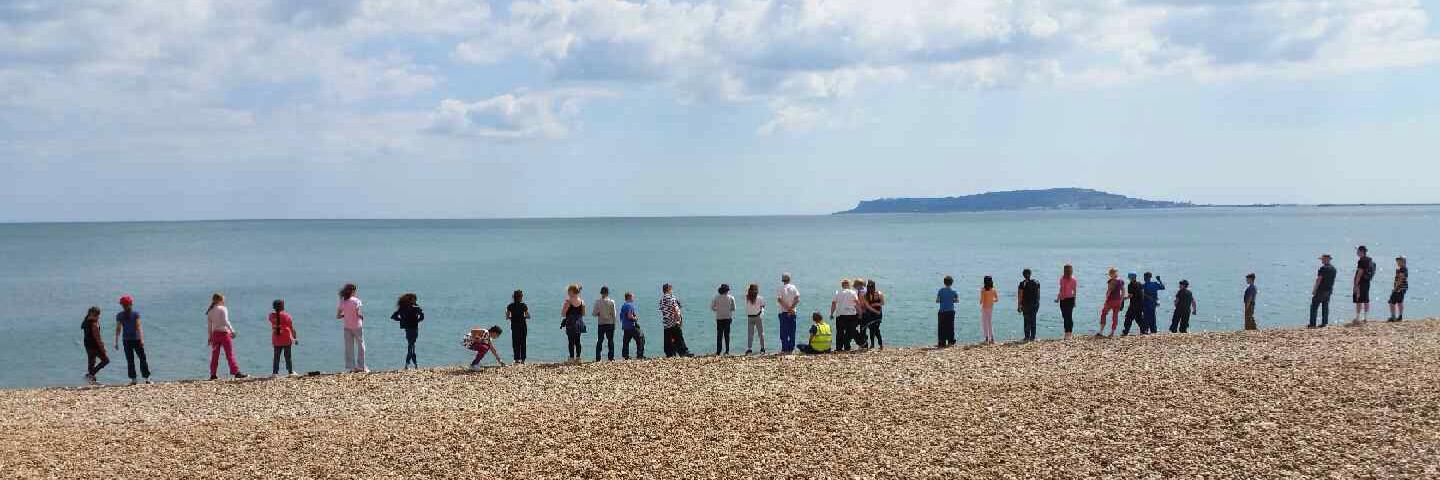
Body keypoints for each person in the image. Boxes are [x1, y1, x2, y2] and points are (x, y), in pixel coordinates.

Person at [206, 293, 246, 380]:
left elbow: (209, 327)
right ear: (220, 300)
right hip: (224, 334)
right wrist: (232, 330)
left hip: (215, 335)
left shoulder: (210, 311)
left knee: (215, 355)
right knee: (229, 354)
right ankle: (236, 372)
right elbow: (225, 321)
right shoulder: (223, 308)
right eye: (223, 299)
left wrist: (210, 337)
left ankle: (213, 374)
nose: (224, 301)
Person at [113, 295, 151, 385]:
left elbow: (119, 329)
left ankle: (137, 379)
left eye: (124, 304)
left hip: (130, 340)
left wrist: (116, 341)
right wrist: (116, 341)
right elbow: (138, 327)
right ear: (131, 304)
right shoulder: (134, 314)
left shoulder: (121, 315)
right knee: (140, 358)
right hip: (132, 340)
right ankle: (145, 378)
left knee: (133, 359)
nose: (124, 306)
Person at [336, 283, 367, 373]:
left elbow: (338, 316)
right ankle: (361, 366)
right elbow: (359, 313)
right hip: (357, 326)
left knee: (349, 347)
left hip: (347, 327)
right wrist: (361, 317)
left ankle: (351, 367)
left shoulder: (343, 301)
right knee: (361, 346)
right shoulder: (356, 301)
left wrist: (345, 315)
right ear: (353, 291)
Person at [390, 293, 424, 369]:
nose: (416, 301)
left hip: (408, 329)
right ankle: (411, 363)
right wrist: (417, 321)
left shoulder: (403, 308)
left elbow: (393, 316)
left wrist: (402, 320)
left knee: (411, 345)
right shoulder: (416, 308)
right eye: (415, 299)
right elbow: (422, 317)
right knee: (411, 345)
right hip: (414, 328)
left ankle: (411, 364)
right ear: (411, 300)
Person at [659, 284, 692, 357]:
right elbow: (676, 309)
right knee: (679, 337)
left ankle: (669, 354)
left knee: (668, 339)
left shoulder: (662, 300)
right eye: (671, 290)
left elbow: (662, 309)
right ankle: (683, 352)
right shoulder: (672, 298)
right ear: (669, 290)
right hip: (674, 321)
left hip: (666, 322)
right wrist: (679, 319)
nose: (672, 291)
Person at [830, 279, 863, 351]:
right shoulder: (853, 292)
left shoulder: (837, 293)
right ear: (849, 285)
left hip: (840, 314)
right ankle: (849, 346)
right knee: (850, 331)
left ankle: (839, 348)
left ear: (842, 285)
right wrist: (860, 313)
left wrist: (832, 314)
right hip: (851, 315)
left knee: (840, 332)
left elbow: (833, 304)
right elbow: (857, 303)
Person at [270, 299, 298, 377]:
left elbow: (275, 319)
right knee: (288, 356)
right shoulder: (286, 316)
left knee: (276, 357)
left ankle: (275, 373)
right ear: (282, 307)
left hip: (276, 339)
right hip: (286, 339)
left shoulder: (271, 316)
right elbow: (292, 328)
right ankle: (290, 372)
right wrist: (295, 338)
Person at [82, 306, 109, 385]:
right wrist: (103, 348)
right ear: (93, 314)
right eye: (97, 315)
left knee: (91, 361)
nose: (98, 317)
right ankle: (90, 375)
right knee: (105, 360)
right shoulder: (94, 324)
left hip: (87, 344)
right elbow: (98, 338)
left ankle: (91, 380)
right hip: (94, 345)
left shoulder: (86, 321)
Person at [1310, 254, 1337, 328]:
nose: (1322, 261)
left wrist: (1314, 289)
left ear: (1327, 259)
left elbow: (1319, 279)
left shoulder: (1322, 268)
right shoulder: (1333, 269)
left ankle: (1312, 324)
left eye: (1323, 259)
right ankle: (1324, 323)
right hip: (1328, 290)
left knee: (1314, 306)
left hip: (1321, 290)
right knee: (1325, 306)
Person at [776, 274, 801, 354]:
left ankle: (785, 349)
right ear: (789, 279)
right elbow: (797, 299)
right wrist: (791, 309)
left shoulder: (780, 288)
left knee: (784, 332)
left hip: (783, 312)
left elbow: (779, 300)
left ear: (782, 280)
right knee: (792, 331)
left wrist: (787, 309)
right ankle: (791, 348)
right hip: (792, 312)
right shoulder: (793, 287)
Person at [560, 284, 586, 362]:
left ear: (571, 291)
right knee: (578, 341)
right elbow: (583, 314)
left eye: (568, 291)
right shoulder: (582, 302)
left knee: (571, 341)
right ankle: (578, 358)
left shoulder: (568, 301)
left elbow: (563, 314)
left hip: (571, 323)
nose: (567, 292)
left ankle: (571, 358)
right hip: (579, 323)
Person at [710, 284, 736, 356]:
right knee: (727, 335)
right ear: (727, 290)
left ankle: (718, 351)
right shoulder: (731, 298)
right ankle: (727, 351)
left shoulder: (716, 297)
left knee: (719, 335)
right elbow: (734, 308)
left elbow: (712, 307)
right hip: (728, 317)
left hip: (719, 318)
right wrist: (728, 309)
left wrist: (718, 309)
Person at [1352, 245, 1376, 324]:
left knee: (1358, 300)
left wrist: (1356, 284)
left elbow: (1360, 272)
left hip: (1361, 282)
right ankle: (1366, 318)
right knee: (1366, 300)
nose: (1357, 252)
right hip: (1367, 282)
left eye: (1358, 251)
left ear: (1361, 252)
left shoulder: (1361, 261)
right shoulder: (1369, 260)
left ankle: (1357, 318)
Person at [1098, 268, 1125, 337]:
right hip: (1118, 301)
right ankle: (1112, 332)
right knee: (1115, 316)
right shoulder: (1121, 281)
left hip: (1110, 301)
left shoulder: (1111, 281)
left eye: (1110, 274)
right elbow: (1123, 291)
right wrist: (1121, 300)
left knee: (1103, 314)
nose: (1109, 275)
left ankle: (1101, 331)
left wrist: (1106, 300)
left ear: (1111, 274)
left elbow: (1109, 292)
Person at [593, 286, 617, 362]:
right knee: (610, 340)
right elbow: (614, 314)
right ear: (607, 293)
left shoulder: (597, 302)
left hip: (601, 323)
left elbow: (594, 314)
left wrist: (599, 313)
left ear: (601, 293)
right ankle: (611, 358)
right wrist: (615, 324)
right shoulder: (612, 302)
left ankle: (598, 358)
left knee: (600, 340)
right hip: (610, 323)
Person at [506, 290, 530, 364]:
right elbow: (528, 316)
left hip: (514, 326)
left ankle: (516, 359)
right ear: (521, 297)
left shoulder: (510, 306)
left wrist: (512, 317)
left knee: (515, 342)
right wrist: (523, 317)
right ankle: (523, 359)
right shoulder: (523, 305)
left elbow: (507, 317)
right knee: (523, 342)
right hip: (523, 326)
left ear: (513, 297)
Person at [620, 292, 646, 359]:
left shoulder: (623, 305)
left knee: (626, 341)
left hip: (625, 326)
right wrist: (635, 318)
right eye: (632, 297)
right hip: (631, 326)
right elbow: (629, 316)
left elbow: (621, 317)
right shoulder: (630, 305)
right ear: (629, 297)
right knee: (641, 338)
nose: (633, 298)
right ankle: (640, 355)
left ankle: (625, 356)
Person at [1017, 269, 1041, 342]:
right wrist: (1037, 303)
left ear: (1023, 275)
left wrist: (1019, 306)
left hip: (1026, 305)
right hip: (1035, 304)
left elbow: (1020, 296)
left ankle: (1027, 337)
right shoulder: (1037, 282)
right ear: (1030, 274)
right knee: (1033, 320)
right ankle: (1033, 337)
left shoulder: (1022, 284)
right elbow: (1038, 295)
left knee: (1026, 321)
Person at [1055, 265, 1078, 340]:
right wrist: (1058, 298)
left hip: (1069, 299)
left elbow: (1074, 291)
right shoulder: (1062, 279)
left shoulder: (1073, 279)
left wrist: (1074, 301)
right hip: (1064, 299)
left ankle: (1069, 333)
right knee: (1065, 316)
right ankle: (1067, 333)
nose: (1067, 271)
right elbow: (1061, 289)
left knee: (1068, 316)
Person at [936, 276, 959, 347]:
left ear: (944, 282)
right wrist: (951, 300)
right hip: (950, 311)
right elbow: (957, 300)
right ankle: (950, 341)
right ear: (951, 283)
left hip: (942, 311)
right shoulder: (954, 292)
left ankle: (941, 342)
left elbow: (937, 301)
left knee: (941, 327)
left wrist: (943, 300)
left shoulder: (940, 291)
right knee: (950, 326)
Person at [744, 284, 767, 355]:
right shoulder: (760, 298)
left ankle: (749, 349)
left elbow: (747, 293)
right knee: (761, 333)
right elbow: (763, 305)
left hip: (750, 317)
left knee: (750, 334)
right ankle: (762, 348)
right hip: (758, 316)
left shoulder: (747, 297)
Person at [862, 280, 885, 349]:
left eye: (871, 287)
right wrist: (874, 310)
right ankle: (877, 344)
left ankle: (876, 344)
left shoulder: (879, 293)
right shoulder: (865, 295)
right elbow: (867, 306)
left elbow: (882, 303)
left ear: (874, 287)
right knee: (872, 329)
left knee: (875, 329)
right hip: (870, 314)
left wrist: (875, 304)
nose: (870, 288)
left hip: (878, 314)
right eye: (868, 287)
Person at [979, 276, 998, 344]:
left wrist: (980, 301)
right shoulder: (993, 289)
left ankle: (986, 338)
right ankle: (992, 338)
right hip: (991, 307)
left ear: (984, 282)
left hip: (984, 308)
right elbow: (997, 299)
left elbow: (981, 300)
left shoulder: (983, 290)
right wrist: (992, 300)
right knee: (989, 323)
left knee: (984, 323)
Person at [1389, 257, 1408, 322]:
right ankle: (1400, 316)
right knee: (1400, 302)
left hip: (1399, 288)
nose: (1397, 263)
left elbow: (1400, 279)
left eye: (1399, 261)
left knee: (1392, 302)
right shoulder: (1404, 269)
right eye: (1397, 261)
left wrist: (1395, 288)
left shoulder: (1402, 269)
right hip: (1402, 288)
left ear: (1403, 262)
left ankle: (1393, 317)